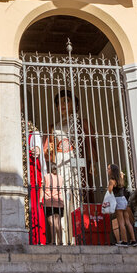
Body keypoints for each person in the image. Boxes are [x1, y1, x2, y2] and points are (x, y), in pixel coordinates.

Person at [46, 90, 97, 243]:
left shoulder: (82, 123)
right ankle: (62, 238)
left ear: (74, 105)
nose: (62, 105)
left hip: (76, 167)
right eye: (59, 102)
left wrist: (92, 162)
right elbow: (49, 151)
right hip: (60, 166)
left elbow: (90, 143)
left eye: (66, 101)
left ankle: (78, 237)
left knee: (76, 199)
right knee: (61, 200)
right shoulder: (53, 127)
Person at [107, 164, 137, 247]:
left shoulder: (112, 181)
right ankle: (133, 240)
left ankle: (124, 241)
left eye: (109, 169)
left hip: (117, 200)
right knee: (127, 222)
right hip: (124, 200)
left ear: (112, 170)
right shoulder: (121, 179)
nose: (107, 170)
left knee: (121, 222)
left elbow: (109, 192)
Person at [26, 121, 47, 245]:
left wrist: (37, 149)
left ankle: (37, 238)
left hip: (33, 174)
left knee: (34, 205)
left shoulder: (33, 133)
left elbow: (39, 153)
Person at [41, 164, 64, 245]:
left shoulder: (46, 176)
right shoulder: (60, 178)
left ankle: (53, 241)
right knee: (58, 223)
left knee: (52, 223)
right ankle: (60, 241)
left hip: (49, 201)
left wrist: (40, 200)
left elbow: (42, 189)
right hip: (59, 202)